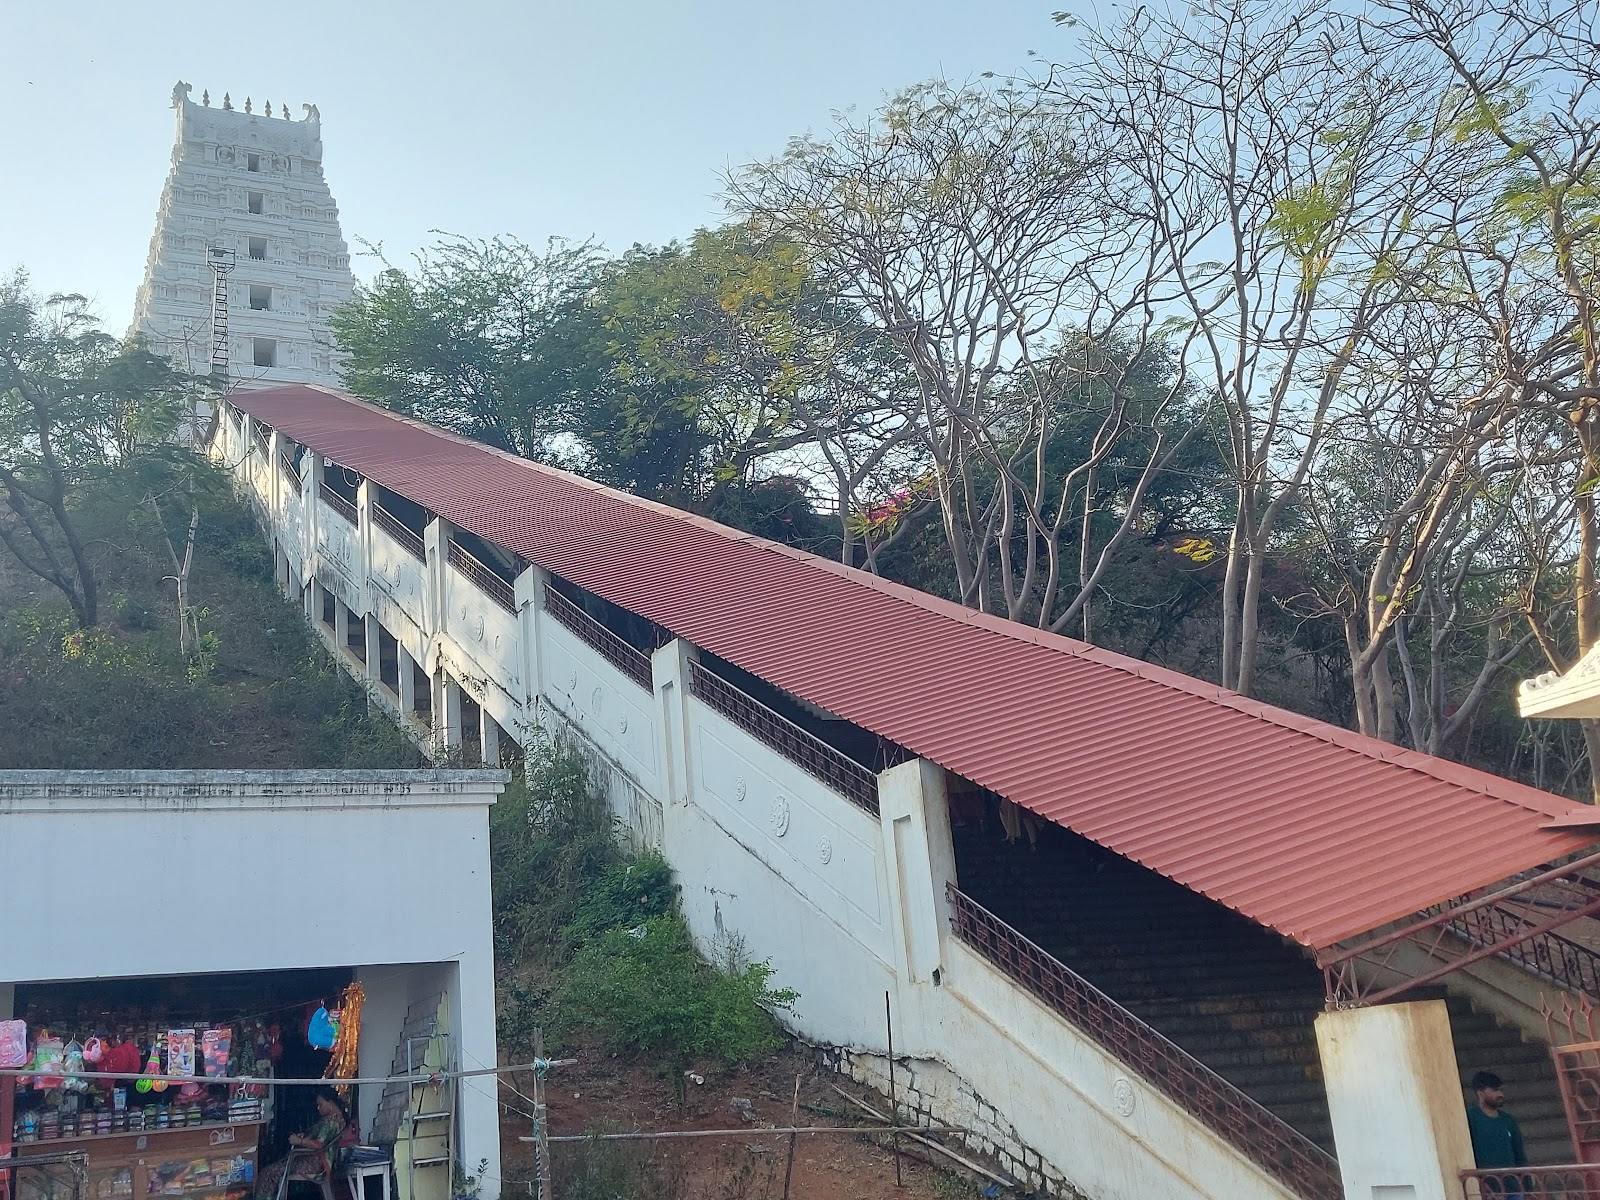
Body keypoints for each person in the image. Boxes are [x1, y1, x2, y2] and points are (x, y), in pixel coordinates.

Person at [255, 1087, 351, 1199]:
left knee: (269, 1173)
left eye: (320, 1104)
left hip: (314, 1164)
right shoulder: (335, 1119)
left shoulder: (331, 1122)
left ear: (330, 1103)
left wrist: (299, 1141)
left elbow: (318, 1145)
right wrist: (305, 1136)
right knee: (270, 1170)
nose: (318, 1108)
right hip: (313, 1160)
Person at [1466, 1071, 1528, 1199]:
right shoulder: (1470, 1118)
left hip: (1513, 1189)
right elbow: (1467, 1154)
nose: (1500, 1094)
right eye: (1495, 1090)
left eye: (1501, 1090)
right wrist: (1482, 1185)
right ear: (1480, 1093)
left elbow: (1520, 1156)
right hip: (1486, 1191)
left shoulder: (1508, 1121)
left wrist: (1527, 1188)